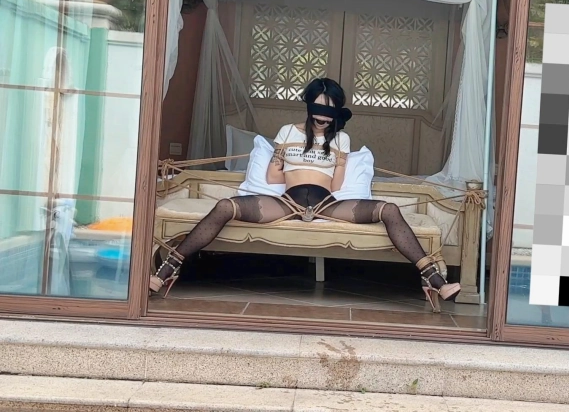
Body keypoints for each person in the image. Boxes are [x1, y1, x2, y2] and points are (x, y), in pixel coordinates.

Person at [150, 77, 461, 311]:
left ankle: (435, 280)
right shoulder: (288, 131)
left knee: (389, 209)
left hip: (327, 204)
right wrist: (289, 160)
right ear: (310, 107)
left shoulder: (341, 139)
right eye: (319, 111)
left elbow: (336, 187)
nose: (323, 119)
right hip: (287, 202)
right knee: (224, 206)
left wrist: (335, 160)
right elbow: (273, 177)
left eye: (330, 113)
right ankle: (166, 272)